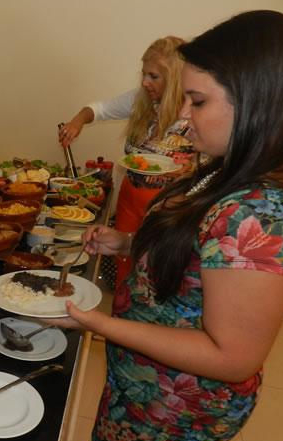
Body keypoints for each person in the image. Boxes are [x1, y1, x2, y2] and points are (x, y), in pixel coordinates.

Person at [49, 10, 283, 441]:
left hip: (171, 408)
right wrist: (127, 244)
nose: (183, 117)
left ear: (256, 102)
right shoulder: (231, 168)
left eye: (198, 102)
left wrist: (100, 324)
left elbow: (231, 358)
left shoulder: (263, 215)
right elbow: (202, 256)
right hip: (146, 381)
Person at [59, 36, 195, 288]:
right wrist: (77, 121)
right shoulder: (141, 99)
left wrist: (189, 172)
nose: (145, 82)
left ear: (175, 78)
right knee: (125, 270)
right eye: (144, 74)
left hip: (169, 209)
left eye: (154, 76)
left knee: (154, 273)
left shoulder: (195, 112)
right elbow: (97, 109)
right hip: (129, 200)